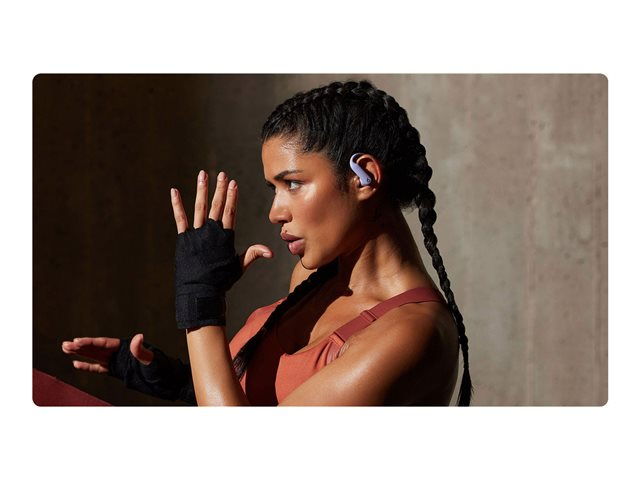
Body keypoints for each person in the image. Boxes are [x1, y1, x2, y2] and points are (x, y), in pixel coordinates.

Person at [61, 80, 472, 406]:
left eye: (293, 183)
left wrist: (199, 304)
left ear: (363, 177)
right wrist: (177, 382)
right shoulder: (310, 278)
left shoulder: (411, 333)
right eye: (274, 188)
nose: (275, 212)